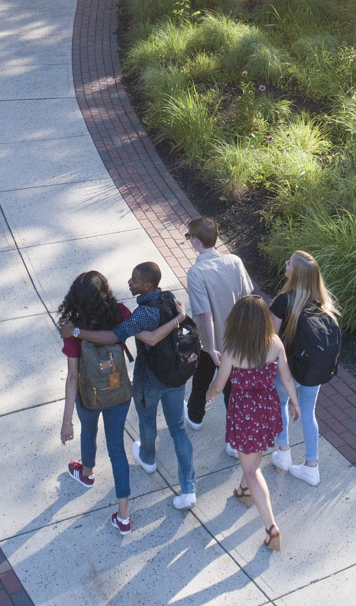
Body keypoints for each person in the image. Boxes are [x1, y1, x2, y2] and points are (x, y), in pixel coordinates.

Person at [63, 261, 199, 511]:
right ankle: (188, 488)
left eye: (135, 281)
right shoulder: (168, 299)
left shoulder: (142, 314)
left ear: (147, 284)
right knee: (178, 429)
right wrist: (180, 317)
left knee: (146, 423)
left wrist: (77, 332)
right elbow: (151, 336)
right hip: (176, 378)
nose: (129, 283)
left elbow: (129, 337)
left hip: (150, 380)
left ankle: (147, 458)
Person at [208, 297, 301, 552]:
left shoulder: (233, 349)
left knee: (251, 469)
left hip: (245, 412)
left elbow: (219, 383)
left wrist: (209, 393)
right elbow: (287, 377)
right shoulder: (274, 344)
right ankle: (243, 492)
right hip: (267, 410)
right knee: (252, 458)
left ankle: (271, 528)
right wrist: (295, 403)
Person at [57, 271, 135, 535]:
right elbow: (120, 336)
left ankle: (87, 473)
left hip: (88, 396)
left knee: (89, 431)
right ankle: (123, 516)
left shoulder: (72, 328)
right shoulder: (120, 313)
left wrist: (67, 421)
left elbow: (72, 376)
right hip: (119, 395)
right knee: (117, 450)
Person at [268, 250, 339, 486]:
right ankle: (311, 466)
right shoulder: (323, 305)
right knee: (308, 413)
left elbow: (270, 339)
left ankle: (284, 452)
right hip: (312, 372)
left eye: (288, 263)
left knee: (280, 403)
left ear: (295, 274)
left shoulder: (282, 302)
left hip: (288, 369)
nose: (285, 264)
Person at [182, 216, 253, 429]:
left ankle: (195, 416)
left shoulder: (196, 273)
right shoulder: (235, 261)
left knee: (202, 379)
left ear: (196, 241)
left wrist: (212, 348)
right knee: (233, 387)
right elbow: (247, 298)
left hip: (209, 341)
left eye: (188, 236)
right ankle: (234, 437)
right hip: (237, 338)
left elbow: (205, 315)